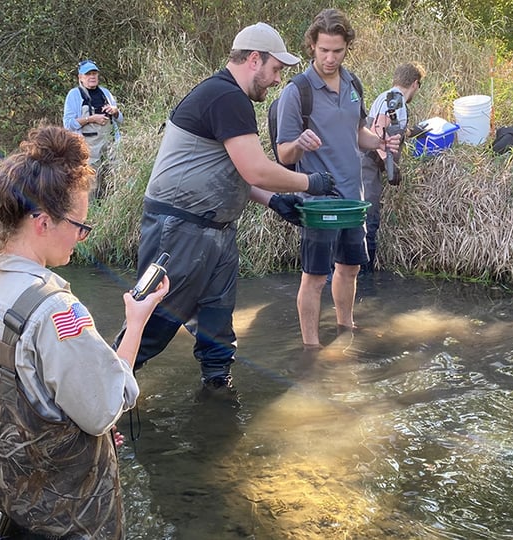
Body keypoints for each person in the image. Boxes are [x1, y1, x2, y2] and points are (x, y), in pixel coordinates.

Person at [0, 125, 168, 539]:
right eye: (80, 225)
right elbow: (104, 410)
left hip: (15, 506)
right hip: (70, 520)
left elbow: (7, 402)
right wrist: (136, 322)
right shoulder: (54, 308)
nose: (83, 237)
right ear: (42, 221)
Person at [111, 22, 337, 402]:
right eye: (275, 70)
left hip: (211, 229)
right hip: (179, 229)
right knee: (152, 322)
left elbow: (230, 172)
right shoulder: (226, 97)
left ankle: (217, 394)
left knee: (216, 322)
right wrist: (310, 183)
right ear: (254, 59)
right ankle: (98, 396)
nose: (276, 80)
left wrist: (274, 201)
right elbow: (256, 169)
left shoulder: (227, 96)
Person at [275, 8, 401, 348]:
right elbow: (283, 154)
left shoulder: (353, 83)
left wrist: (379, 142)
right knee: (314, 278)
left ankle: (346, 329)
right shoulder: (297, 91)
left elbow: (357, 132)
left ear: (347, 48)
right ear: (312, 47)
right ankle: (311, 347)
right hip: (318, 202)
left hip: (354, 197)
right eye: (323, 50)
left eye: (337, 51)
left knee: (350, 269)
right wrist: (299, 144)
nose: (330, 58)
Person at [360, 62, 425, 273]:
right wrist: (392, 169)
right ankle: (363, 277)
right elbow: (377, 133)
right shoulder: (397, 103)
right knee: (368, 220)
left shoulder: (386, 97)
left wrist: (410, 133)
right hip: (367, 166)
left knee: (366, 218)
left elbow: (387, 128)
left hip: (365, 164)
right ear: (415, 84)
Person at [63, 59, 123, 196]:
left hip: (111, 146)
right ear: (80, 78)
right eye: (88, 74)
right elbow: (68, 124)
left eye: (94, 73)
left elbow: (120, 120)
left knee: (113, 183)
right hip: (88, 148)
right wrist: (91, 119)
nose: (92, 77)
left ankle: (111, 212)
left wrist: (115, 111)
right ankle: (92, 214)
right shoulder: (74, 95)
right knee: (90, 187)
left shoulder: (105, 93)